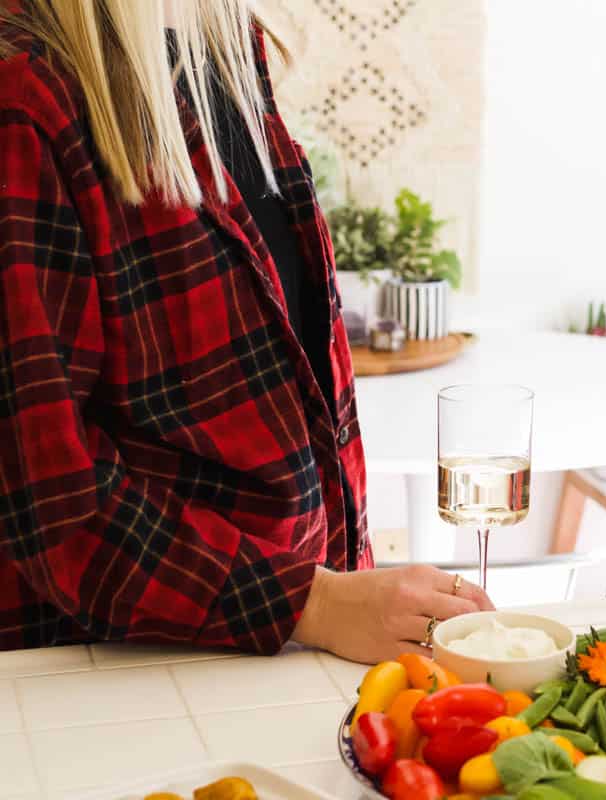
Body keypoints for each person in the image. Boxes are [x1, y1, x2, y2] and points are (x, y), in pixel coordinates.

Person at [0, 0, 491, 662]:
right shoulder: (24, 98)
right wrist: (314, 604)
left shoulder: (227, 43)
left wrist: (344, 594)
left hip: (284, 650)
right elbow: (58, 506)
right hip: (120, 679)